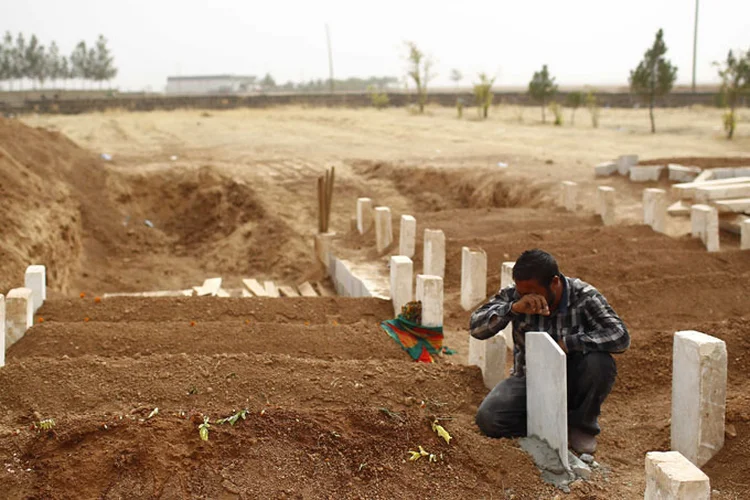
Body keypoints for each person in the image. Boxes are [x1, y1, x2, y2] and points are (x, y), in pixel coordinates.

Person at [470, 249, 629, 454]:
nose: (528, 297)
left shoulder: (584, 296)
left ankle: (581, 425)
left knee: (600, 363)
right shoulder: (514, 296)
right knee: (489, 418)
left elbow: (620, 336)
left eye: (533, 291)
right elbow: (476, 328)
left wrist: (569, 344)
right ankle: (551, 424)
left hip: (574, 379)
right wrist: (513, 309)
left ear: (554, 282)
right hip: (529, 378)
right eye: (522, 292)